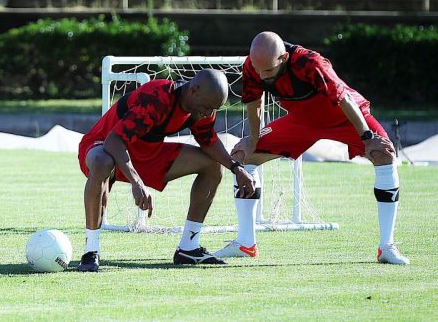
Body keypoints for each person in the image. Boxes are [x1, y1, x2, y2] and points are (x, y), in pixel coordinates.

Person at [215, 31, 409, 265]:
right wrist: (253, 139)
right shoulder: (253, 66)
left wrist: (367, 137)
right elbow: (254, 103)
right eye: (257, 70)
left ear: (284, 58)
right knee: (243, 155)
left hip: (343, 116)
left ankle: (386, 246)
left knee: (384, 154)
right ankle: (245, 243)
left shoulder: (311, 62)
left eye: (267, 71)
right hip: (302, 121)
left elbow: (344, 99)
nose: (261, 76)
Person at [77, 69, 255, 272]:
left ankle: (188, 248)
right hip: (104, 146)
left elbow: (208, 140)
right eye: (206, 107)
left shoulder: (204, 105)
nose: (208, 113)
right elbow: (114, 141)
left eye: (213, 109)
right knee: (102, 162)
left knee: (212, 165)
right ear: (194, 90)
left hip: (145, 153)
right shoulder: (158, 97)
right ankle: (90, 251)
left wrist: (236, 167)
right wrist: (137, 182)